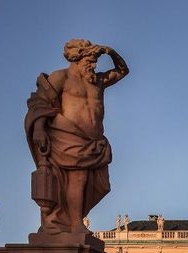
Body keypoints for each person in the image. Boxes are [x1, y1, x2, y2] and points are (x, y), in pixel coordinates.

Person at [25, 39, 129, 234]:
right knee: (78, 178)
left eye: (95, 61)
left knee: (100, 185)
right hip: (68, 137)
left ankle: (72, 221)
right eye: (89, 61)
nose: (93, 65)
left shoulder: (97, 81)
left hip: (95, 142)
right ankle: (75, 224)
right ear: (77, 59)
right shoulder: (61, 77)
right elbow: (40, 103)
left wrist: (111, 52)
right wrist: (39, 129)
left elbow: (123, 71)